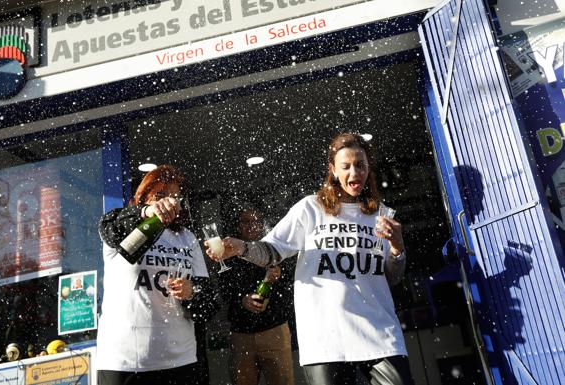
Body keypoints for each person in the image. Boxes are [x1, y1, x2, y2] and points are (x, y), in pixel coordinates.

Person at [206, 133, 414, 385]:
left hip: (380, 335)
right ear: (333, 170)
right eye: (345, 166)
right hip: (325, 339)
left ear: (369, 167)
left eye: (360, 165)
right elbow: (272, 251)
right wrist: (243, 248)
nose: (354, 173)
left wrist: (396, 248)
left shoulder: (382, 215)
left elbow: (392, 277)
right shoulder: (310, 209)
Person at [96, 165, 216, 385]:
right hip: (124, 361)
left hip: (180, 360)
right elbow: (108, 225)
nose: (167, 202)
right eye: (160, 195)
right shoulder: (125, 227)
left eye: (174, 197)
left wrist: (192, 292)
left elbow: (209, 303)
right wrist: (146, 213)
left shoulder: (186, 237)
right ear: (144, 197)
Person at [219, 208, 295, 385]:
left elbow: (292, 288)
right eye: (246, 221)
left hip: (274, 330)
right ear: (238, 226)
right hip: (241, 334)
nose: (251, 226)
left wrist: (279, 277)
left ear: (262, 225)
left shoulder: (276, 250)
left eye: (256, 221)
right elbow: (224, 291)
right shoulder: (228, 252)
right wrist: (241, 300)